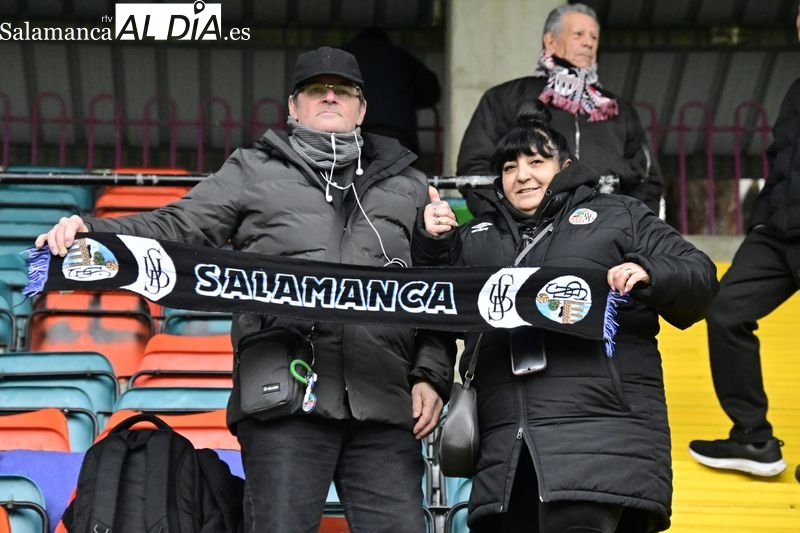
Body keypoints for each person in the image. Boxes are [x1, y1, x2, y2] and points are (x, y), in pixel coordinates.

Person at [35, 46, 454, 533]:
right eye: (315, 89)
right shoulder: (251, 170)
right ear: (293, 106)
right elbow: (177, 226)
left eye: (343, 91)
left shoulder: (410, 185)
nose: (330, 97)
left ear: (361, 109)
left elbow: (442, 289)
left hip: (382, 402)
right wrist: (93, 232)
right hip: (283, 403)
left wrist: (431, 375)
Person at [413, 102, 718, 532]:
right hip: (506, 455)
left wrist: (650, 272)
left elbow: (700, 276)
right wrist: (432, 245)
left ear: (566, 167)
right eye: (510, 167)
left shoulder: (620, 215)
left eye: (537, 162)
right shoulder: (475, 238)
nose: (522, 175)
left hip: (601, 441)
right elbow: (435, 307)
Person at [687, 5, 800, 479]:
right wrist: (762, 221)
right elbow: (780, 161)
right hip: (779, 232)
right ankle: (753, 437)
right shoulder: (796, 91)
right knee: (725, 310)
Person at [456, 2, 663, 218]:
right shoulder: (505, 97)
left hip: (608, 228)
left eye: (594, 37)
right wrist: (506, 223)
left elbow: (647, 178)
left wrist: (631, 225)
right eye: (578, 34)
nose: (588, 43)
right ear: (551, 42)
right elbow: (474, 167)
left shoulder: (616, 108)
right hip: (528, 230)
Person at [343, 27, 441, 155]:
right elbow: (432, 92)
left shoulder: (342, 56)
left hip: (350, 131)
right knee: (396, 166)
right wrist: (405, 99)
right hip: (397, 131)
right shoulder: (401, 56)